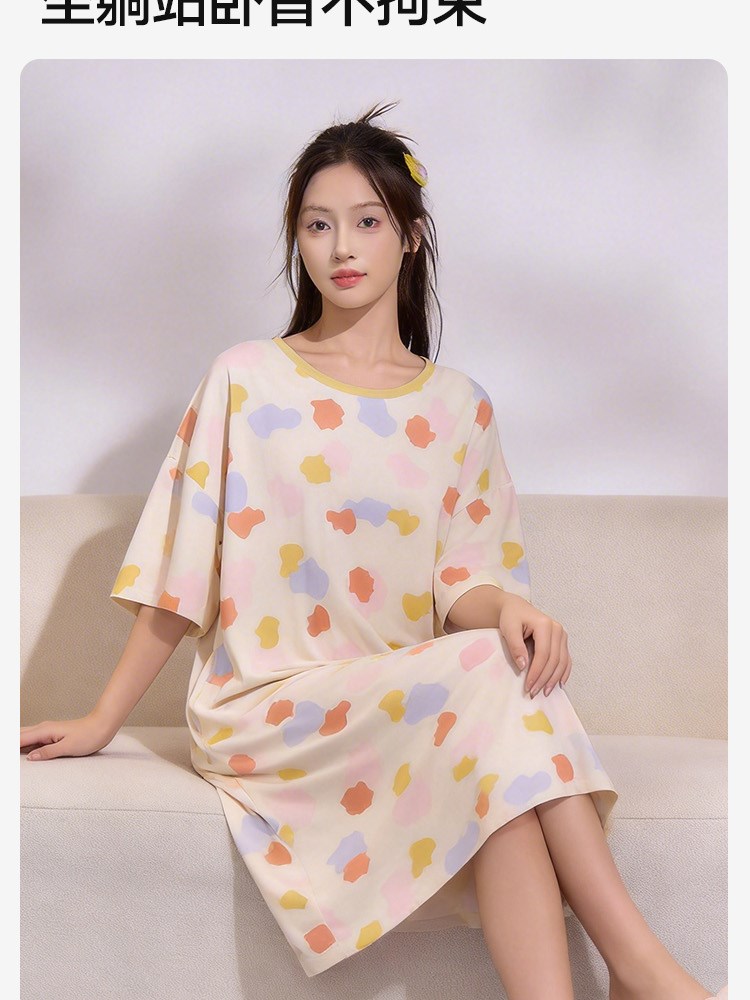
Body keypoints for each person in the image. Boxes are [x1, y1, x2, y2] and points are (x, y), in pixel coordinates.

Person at [20, 101, 726, 1000]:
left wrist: (510, 606)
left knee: (503, 767)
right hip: (270, 712)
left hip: (414, 708)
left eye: (366, 222)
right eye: (317, 225)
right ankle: (644, 971)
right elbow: (181, 570)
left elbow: (465, 579)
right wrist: (101, 720)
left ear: (411, 236)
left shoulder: (459, 406)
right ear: (297, 241)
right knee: (491, 686)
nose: (341, 247)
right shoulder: (247, 379)